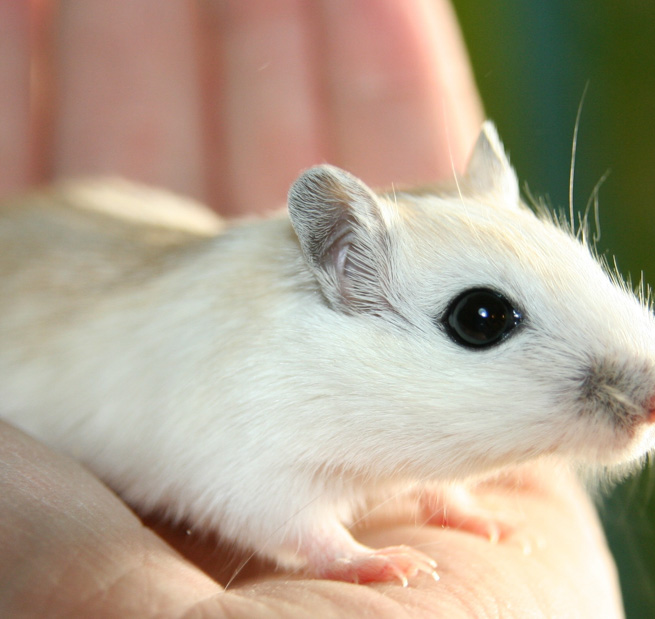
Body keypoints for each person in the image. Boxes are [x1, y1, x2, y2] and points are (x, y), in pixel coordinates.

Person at [0, 2, 623, 615]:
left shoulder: (331, 369)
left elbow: (418, 414)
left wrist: (442, 492)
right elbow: (230, 470)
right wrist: (325, 547)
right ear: (342, 265)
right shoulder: (254, 356)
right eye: (480, 320)